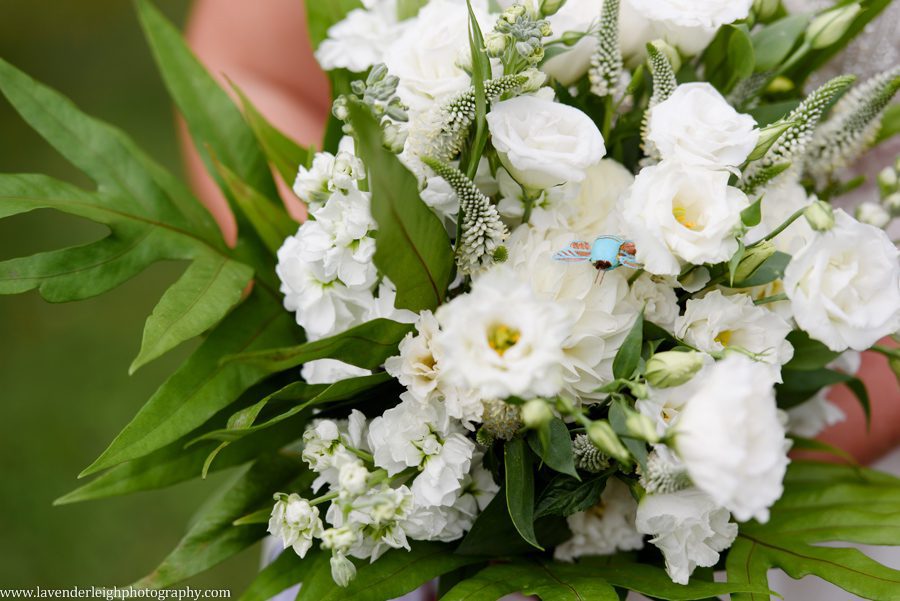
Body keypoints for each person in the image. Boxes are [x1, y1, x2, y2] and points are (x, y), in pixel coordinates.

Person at [183, 3, 900, 598]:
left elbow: (599, 253)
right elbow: (248, 63)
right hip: (396, 452)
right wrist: (371, 274)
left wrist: (706, 463)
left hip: (782, 461)